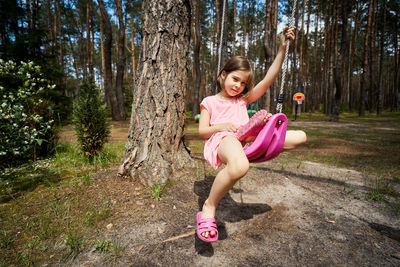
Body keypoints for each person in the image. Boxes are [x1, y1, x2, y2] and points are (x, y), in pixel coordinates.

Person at [196, 26, 306, 242]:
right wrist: (223, 126)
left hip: (248, 143)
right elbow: (202, 131)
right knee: (239, 166)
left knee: (301, 136)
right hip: (225, 140)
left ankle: (257, 130)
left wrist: (282, 47)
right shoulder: (210, 102)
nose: (238, 85)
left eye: (243, 83)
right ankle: (209, 207)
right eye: (235, 79)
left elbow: (267, 79)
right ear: (223, 75)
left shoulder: (242, 100)